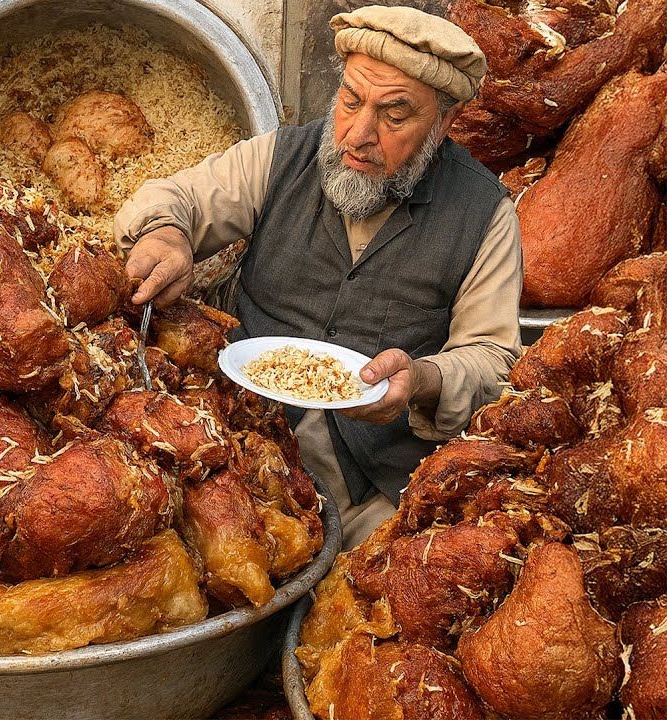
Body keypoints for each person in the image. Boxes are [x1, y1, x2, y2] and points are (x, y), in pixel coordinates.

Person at [116, 6, 522, 547]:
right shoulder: (284, 158)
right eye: (351, 101)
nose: (359, 133)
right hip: (241, 453)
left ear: (444, 123)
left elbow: (495, 362)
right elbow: (175, 197)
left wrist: (421, 380)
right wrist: (166, 233)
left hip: (373, 495)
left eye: (395, 115)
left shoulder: (483, 212)